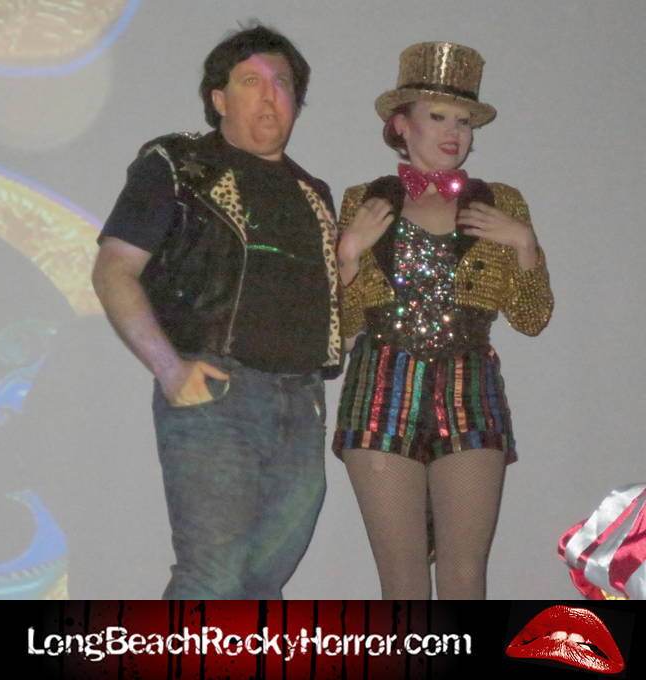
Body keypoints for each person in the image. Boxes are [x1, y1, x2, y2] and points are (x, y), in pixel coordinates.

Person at [92, 24, 341, 599]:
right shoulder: (181, 165)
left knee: (262, 584)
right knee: (213, 577)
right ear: (219, 99)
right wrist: (170, 369)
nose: (270, 95)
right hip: (218, 392)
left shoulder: (314, 194)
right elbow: (113, 270)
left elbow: (320, 308)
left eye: (282, 83)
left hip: (301, 401)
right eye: (251, 81)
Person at [334, 42, 553, 599]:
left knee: (464, 575)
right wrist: (347, 256)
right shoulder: (363, 201)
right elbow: (338, 331)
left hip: (471, 386)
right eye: (438, 117)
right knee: (401, 581)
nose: (455, 132)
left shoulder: (502, 202)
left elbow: (532, 317)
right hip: (380, 387)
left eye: (464, 121)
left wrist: (524, 244)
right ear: (401, 125)